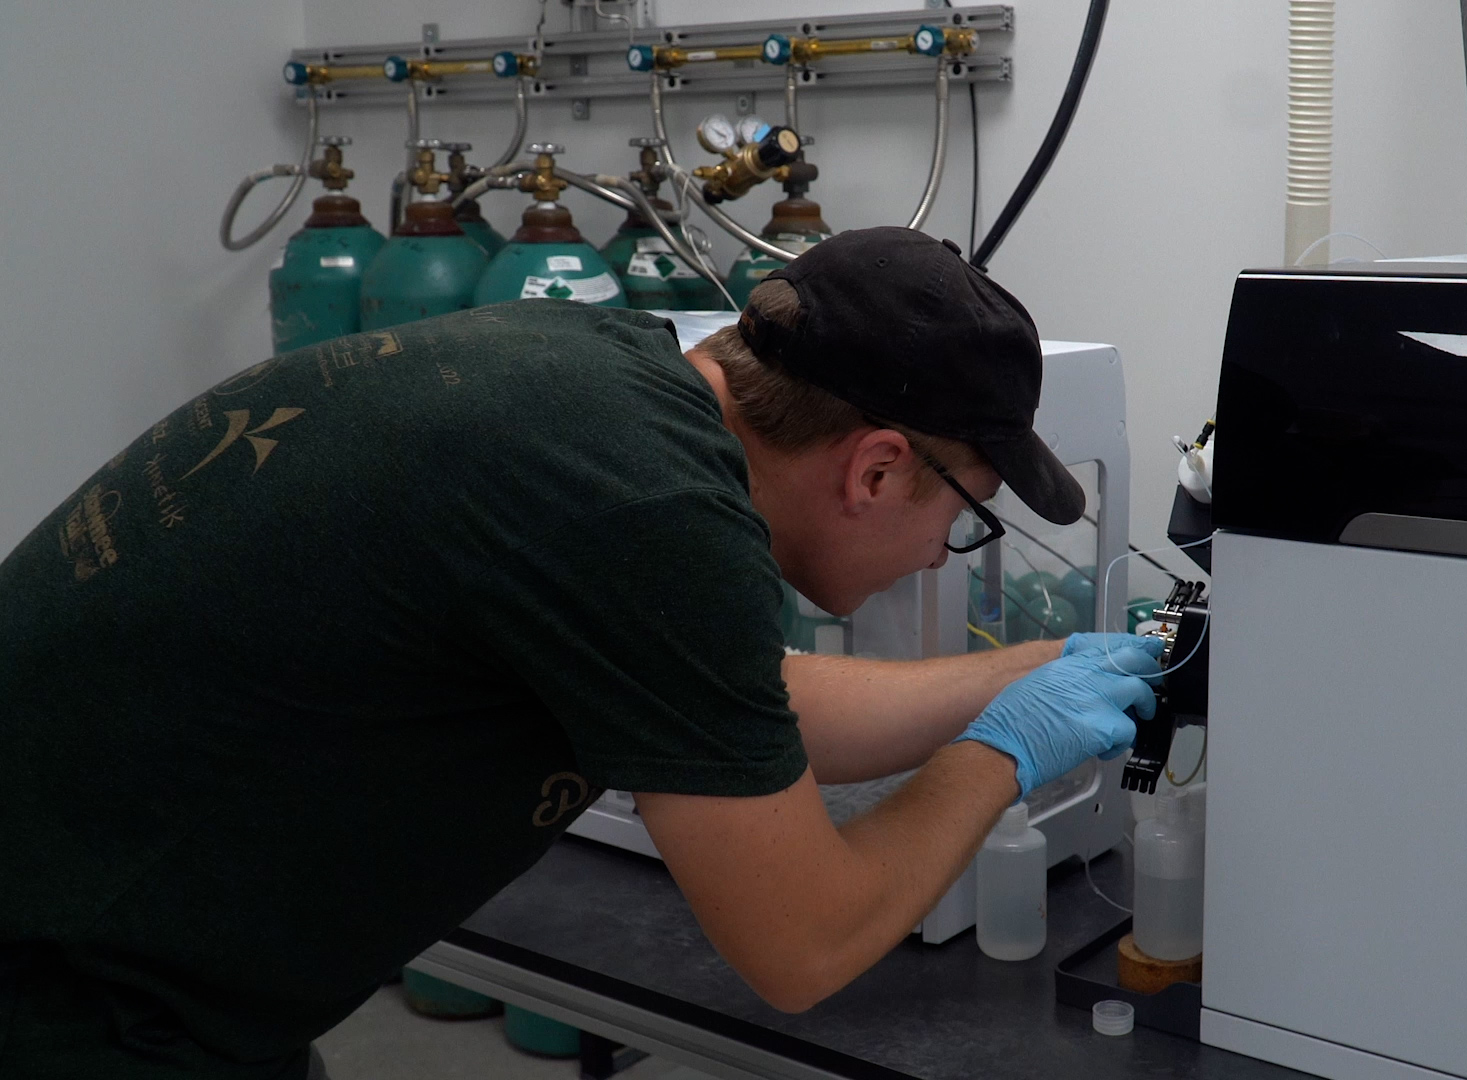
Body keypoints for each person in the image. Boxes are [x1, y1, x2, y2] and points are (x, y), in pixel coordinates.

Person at [0, 226, 1163, 1079]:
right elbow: (803, 945)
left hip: (123, 936)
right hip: (70, 998)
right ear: (873, 467)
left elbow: (716, 698)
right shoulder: (643, 513)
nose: (937, 558)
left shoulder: (601, 378)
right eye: (961, 516)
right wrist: (1002, 752)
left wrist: (1027, 671)